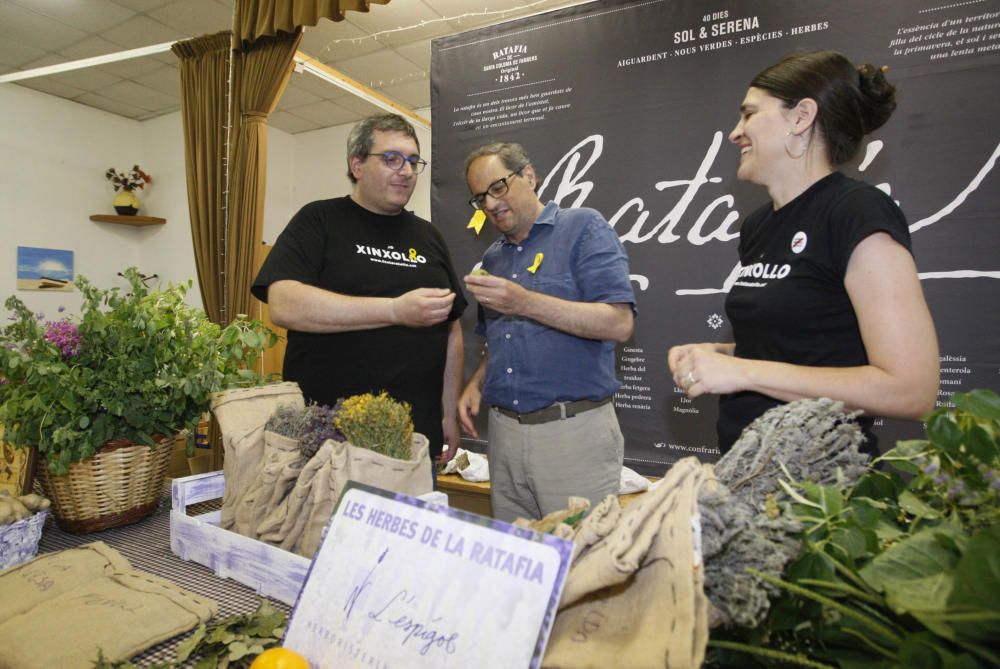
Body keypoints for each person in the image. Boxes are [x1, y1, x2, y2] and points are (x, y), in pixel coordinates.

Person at [668, 50, 939, 456]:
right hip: (745, 473)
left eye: (749, 114)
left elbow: (911, 390)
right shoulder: (758, 226)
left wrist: (741, 371)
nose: (735, 132)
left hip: (820, 491)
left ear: (801, 117)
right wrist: (719, 355)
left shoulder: (856, 212)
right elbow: (799, 350)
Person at [252, 113, 467, 468]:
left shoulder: (429, 236)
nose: (406, 170)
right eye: (392, 159)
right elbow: (283, 303)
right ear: (357, 165)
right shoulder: (318, 220)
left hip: (415, 440)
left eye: (413, 161)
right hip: (329, 442)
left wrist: (448, 411)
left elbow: (452, 328)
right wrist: (395, 311)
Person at [457, 141, 636, 522]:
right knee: (517, 567)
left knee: (581, 566)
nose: (489, 204)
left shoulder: (583, 227)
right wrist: (476, 382)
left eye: (498, 187)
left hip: (571, 434)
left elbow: (619, 323)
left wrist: (525, 302)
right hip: (503, 435)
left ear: (529, 176)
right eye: (479, 198)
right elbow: (499, 339)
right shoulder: (493, 257)